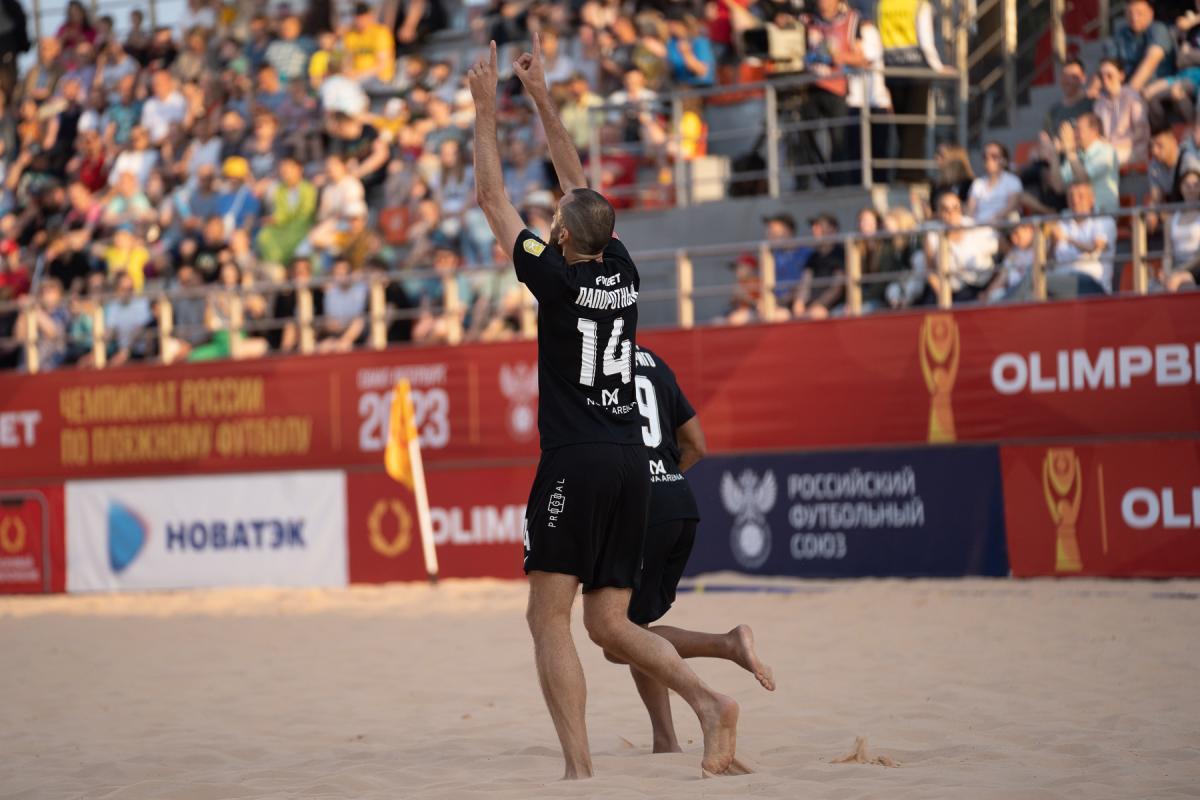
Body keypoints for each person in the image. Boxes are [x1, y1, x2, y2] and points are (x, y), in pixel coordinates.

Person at [468, 35, 740, 778]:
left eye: (558, 218)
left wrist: (486, 110)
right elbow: (580, 186)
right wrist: (543, 96)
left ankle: (579, 771)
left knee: (548, 616)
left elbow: (492, 201)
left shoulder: (555, 279)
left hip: (577, 460)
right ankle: (710, 702)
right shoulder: (622, 267)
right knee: (611, 623)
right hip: (632, 463)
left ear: (560, 235)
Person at [606, 345, 774, 756]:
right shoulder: (657, 364)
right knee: (634, 629)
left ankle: (727, 645)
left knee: (617, 637)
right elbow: (696, 445)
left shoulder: (596, 362)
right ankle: (665, 741)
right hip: (680, 504)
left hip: (640, 511)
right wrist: (663, 480)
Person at [1046, 180, 1116, 297]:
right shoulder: (1062, 223)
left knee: (1035, 281)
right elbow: (1048, 261)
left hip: (1091, 283)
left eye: (1080, 196)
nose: (1075, 201)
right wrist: (1053, 243)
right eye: (1071, 197)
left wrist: (1067, 239)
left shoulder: (1104, 220)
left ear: (1092, 199)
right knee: (1035, 277)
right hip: (1061, 281)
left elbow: (1095, 248)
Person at [1047, 113, 1120, 214]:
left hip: (1102, 215)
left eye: (1078, 129)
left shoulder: (1106, 151)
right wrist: (1054, 154)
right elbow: (1058, 187)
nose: (1074, 134)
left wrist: (1069, 149)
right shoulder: (1077, 155)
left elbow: (1083, 179)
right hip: (1079, 216)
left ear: (1094, 130)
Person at [1093, 58, 1150, 166]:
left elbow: (1140, 134)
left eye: (1109, 75)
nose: (1105, 80)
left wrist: (1111, 145)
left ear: (1121, 76)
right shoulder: (1099, 104)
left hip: (1133, 149)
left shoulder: (1132, 97)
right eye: (1101, 76)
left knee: (1101, 160)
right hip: (1108, 150)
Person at [967, 142, 1023, 226]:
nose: (988, 159)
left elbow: (1012, 206)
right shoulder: (977, 184)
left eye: (994, 156)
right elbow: (970, 211)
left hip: (1002, 227)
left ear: (1004, 160)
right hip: (978, 227)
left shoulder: (1013, 181)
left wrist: (993, 220)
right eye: (985, 157)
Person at [1165, 167, 1200, 292]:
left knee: (1183, 285)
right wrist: (1167, 272)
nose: (1191, 189)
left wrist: (1178, 272)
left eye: (1196, 185)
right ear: (1180, 187)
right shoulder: (1171, 220)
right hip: (1176, 268)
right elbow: (1167, 252)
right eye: (1187, 185)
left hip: (1196, 268)